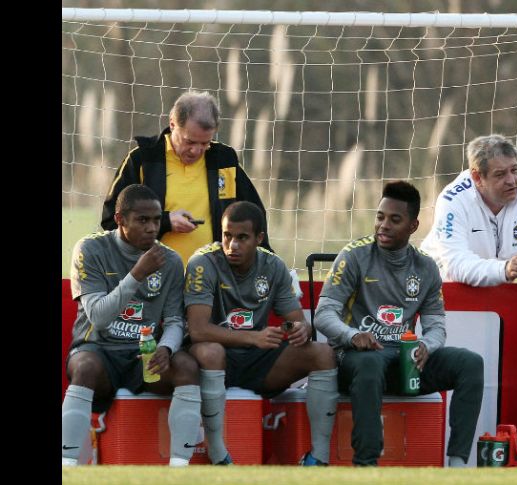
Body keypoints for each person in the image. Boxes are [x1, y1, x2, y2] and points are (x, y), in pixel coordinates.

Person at [314, 181, 484, 467]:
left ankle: (457, 466)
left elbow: (436, 326)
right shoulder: (354, 256)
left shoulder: (426, 267)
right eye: (380, 217)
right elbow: (323, 314)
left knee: (470, 363)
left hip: (404, 363)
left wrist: (425, 345)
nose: (383, 226)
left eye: (395, 219)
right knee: (369, 363)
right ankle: (366, 466)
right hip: (356, 361)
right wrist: (353, 335)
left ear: (413, 226)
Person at [183, 201, 338, 466]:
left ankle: (318, 459)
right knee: (211, 351)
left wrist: (300, 330)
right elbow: (197, 330)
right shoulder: (202, 263)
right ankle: (219, 454)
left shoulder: (274, 266)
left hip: (258, 360)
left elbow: (297, 322)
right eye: (227, 236)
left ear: (259, 238)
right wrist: (253, 337)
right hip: (214, 359)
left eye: (242, 237)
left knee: (322, 353)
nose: (232, 245)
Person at [63, 184, 201, 467]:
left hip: (145, 355)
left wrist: (166, 347)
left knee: (187, 366)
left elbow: (175, 320)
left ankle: (180, 469)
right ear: (119, 220)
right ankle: (67, 465)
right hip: (99, 349)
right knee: (85, 367)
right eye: (142, 220)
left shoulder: (171, 260)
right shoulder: (90, 249)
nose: (152, 228)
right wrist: (136, 274)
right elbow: (99, 317)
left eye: (156, 219)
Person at [101, 90, 272, 265]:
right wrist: (165, 222)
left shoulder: (224, 160)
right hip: (153, 279)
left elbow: (255, 216)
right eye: (189, 141)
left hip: (212, 280)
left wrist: (267, 263)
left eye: (205, 143)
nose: (196, 151)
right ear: (172, 124)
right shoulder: (143, 160)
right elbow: (111, 221)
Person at [421, 134, 517, 287]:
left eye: (514, 170)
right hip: (436, 287)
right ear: (477, 177)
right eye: (500, 174)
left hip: (494, 289)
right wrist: (504, 269)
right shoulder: (453, 201)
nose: (511, 180)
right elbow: (456, 266)